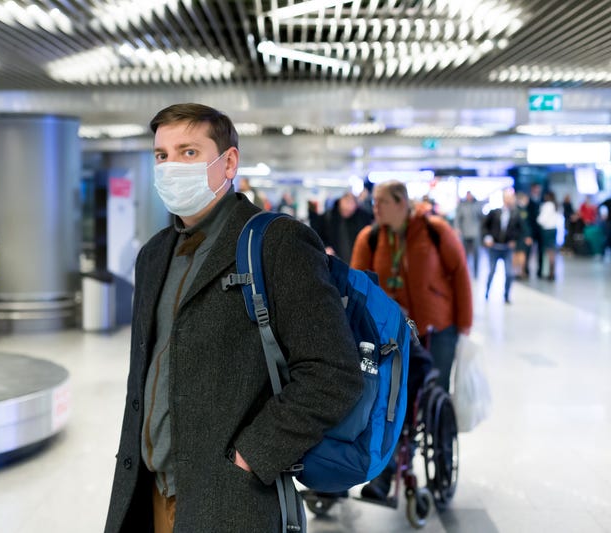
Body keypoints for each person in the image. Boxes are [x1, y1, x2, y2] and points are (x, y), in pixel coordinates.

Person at [104, 103, 362, 533]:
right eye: (161, 156)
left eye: (188, 152)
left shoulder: (277, 244)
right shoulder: (153, 255)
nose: (170, 167)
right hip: (149, 491)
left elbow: (333, 372)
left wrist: (252, 456)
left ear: (229, 163)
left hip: (230, 500)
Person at [349, 180, 472, 501]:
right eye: (374, 203)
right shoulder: (371, 237)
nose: (375, 208)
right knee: (390, 397)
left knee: (432, 390)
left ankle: (438, 448)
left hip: (437, 329)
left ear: (402, 202)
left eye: (381, 202)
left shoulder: (435, 232)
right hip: (391, 334)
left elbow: (460, 274)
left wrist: (465, 325)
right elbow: (356, 284)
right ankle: (385, 469)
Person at [482, 189, 524, 302]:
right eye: (508, 198)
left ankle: (506, 295)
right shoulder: (494, 212)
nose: (510, 200)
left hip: (507, 248)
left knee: (509, 273)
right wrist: (487, 238)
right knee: (491, 271)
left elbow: (520, 229)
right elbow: (485, 226)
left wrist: (514, 240)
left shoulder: (516, 214)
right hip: (494, 247)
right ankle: (487, 293)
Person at [319, 190, 373, 262]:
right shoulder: (328, 216)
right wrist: (325, 247)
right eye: (347, 203)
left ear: (356, 206)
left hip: (356, 260)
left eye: (351, 204)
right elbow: (319, 236)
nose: (349, 208)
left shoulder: (362, 217)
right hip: (334, 260)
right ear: (341, 201)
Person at [454, 191, 484, 278]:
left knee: (476, 254)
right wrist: (457, 228)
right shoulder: (462, 205)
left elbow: (482, 217)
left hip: (475, 233)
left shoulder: (477, 205)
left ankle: (476, 273)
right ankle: (465, 272)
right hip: (465, 232)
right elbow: (457, 218)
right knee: (464, 254)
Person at [537, 190, 560, 279]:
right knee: (552, 251)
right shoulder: (556, 205)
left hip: (547, 230)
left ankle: (549, 273)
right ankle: (552, 272)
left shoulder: (547, 205)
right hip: (554, 229)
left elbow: (541, 219)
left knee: (548, 252)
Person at [512, 192, 534, 279]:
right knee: (520, 254)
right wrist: (528, 236)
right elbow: (525, 225)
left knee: (517, 253)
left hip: (516, 235)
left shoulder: (514, 209)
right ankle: (520, 272)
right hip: (521, 236)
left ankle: (516, 271)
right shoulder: (522, 210)